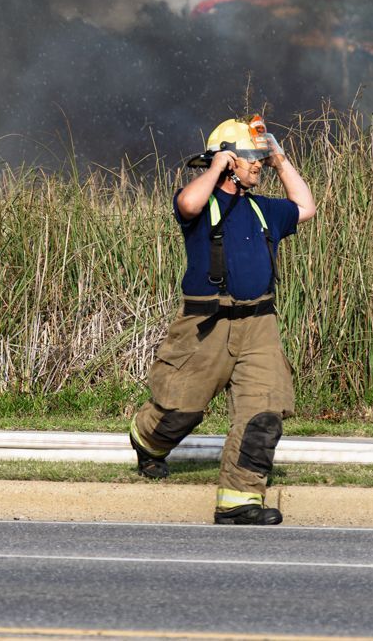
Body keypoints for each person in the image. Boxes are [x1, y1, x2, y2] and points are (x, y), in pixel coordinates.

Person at [129, 116, 316, 525]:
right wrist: (216, 166)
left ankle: (239, 500)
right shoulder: (203, 205)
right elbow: (188, 204)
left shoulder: (264, 209)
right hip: (206, 324)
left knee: (263, 413)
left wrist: (281, 160)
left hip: (259, 324)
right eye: (251, 156)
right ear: (228, 160)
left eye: (259, 158)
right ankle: (147, 439)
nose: (258, 164)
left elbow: (306, 207)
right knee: (180, 409)